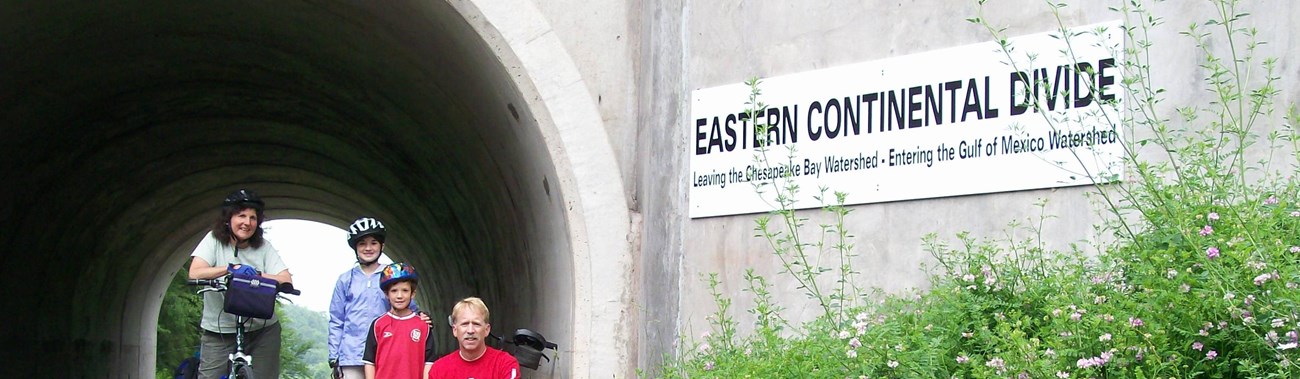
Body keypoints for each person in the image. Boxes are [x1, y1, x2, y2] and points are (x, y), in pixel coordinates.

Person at [187, 189, 293, 379]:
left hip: (262, 329)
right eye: (241, 215)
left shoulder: (263, 247)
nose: (247, 222)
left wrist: (259, 275)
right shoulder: (213, 240)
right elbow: (195, 272)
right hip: (218, 329)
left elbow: (285, 279)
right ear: (228, 219)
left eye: (253, 218)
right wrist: (230, 269)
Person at [329, 217, 428, 379]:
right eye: (362, 243)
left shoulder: (392, 275)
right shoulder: (345, 280)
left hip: (386, 353)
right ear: (355, 248)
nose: (368, 248)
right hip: (352, 355)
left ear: (382, 246)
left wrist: (423, 317)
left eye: (373, 243)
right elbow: (336, 320)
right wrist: (334, 356)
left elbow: (409, 309)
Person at [362, 263, 436, 379]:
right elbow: (369, 361)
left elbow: (429, 362)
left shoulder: (423, 325)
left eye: (405, 290)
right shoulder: (378, 324)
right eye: (394, 291)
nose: (399, 296)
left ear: (413, 294)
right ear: (386, 294)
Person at [428, 297, 520, 379]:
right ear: (455, 330)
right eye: (465, 324)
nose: (470, 330)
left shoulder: (505, 364)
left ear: (487, 330)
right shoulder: (439, 369)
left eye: (476, 324)